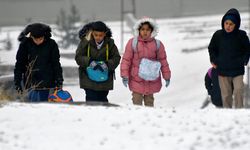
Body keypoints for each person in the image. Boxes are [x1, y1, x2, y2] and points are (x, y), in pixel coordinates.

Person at [120, 17, 171, 107]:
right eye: (143, 29)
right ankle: (137, 119)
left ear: (152, 31)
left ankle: (149, 119)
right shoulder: (133, 43)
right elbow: (126, 60)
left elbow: (163, 61)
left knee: (149, 103)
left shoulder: (157, 44)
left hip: (151, 79)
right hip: (136, 79)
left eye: (148, 29)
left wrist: (167, 76)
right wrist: (125, 75)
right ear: (138, 30)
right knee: (136, 103)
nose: (145, 32)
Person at [208, 8, 250, 108]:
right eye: (226, 23)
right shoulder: (218, 35)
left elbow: (248, 49)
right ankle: (228, 116)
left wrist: (244, 60)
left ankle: (239, 113)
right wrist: (213, 60)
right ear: (223, 23)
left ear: (236, 25)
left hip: (237, 70)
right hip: (222, 70)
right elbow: (211, 48)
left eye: (231, 24)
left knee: (239, 91)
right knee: (226, 95)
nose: (228, 26)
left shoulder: (242, 35)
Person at [14, 23, 63, 102]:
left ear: (45, 36)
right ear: (31, 36)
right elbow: (19, 64)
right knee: (32, 109)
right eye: (35, 39)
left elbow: (56, 64)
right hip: (30, 83)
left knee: (45, 107)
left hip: (47, 83)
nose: (38, 41)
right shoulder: (24, 44)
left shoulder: (51, 44)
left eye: (40, 39)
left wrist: (59, 79)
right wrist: (17, 81)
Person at [75, 21, 121, 103]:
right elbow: (78, 57)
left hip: (104, 79)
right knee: (90, 100)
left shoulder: (110, 43)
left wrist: (106, 64)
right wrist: (90, 61)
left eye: (101, 35)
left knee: (103, 100)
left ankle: (103, 115)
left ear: (105, 34)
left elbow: (116, 58)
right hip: (88, 78)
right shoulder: (85, 42)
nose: (98, 37)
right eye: (95, 35)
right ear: (91, 33)